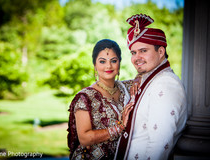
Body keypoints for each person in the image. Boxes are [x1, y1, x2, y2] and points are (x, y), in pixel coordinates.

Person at [114, 14, 188, 160]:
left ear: (160, 51)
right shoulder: (151, 80)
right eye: (133, 53)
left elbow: (159, 145)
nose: (136, 58)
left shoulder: (166, 84)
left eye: (143, 51)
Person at [67, 39, 141, 160]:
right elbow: (85, 138)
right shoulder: (85, 98)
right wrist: (120, 127)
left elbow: (147, 73)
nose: (108, 66)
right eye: (102, 61)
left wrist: (138, 78)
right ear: (95, 66)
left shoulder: (127, 88)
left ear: (119, 63)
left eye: (114, 61)